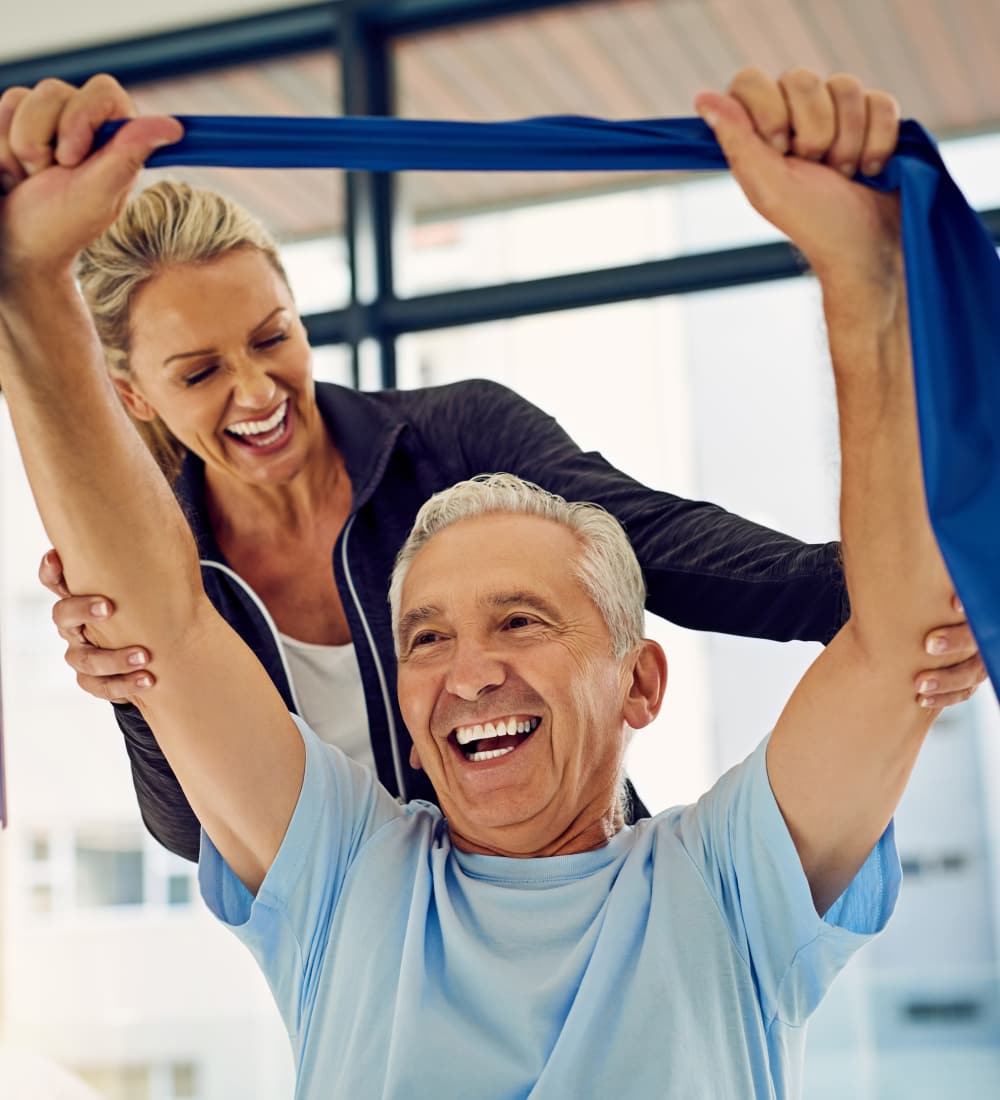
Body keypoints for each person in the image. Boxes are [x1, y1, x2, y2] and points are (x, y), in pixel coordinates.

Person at [0, 64, 973, 1097]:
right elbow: (165, 637)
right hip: (335, 884)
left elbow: (846, 620)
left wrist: (870, 276)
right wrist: (24, 288)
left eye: (518, 618)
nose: (468, 672)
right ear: (136, 398)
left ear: (641, 679)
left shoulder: (722, 883)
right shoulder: (346, 875)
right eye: (421, 635)